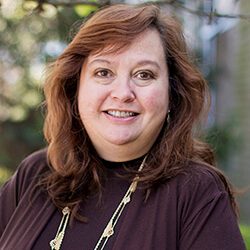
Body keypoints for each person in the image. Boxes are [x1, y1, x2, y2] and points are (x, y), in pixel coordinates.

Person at [0, 3, 246, 250]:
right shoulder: (34, 175)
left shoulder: (196, 192)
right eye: (104, 72)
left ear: (172, 93)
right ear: (75, 87)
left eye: (144, 75)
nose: (122, 93)